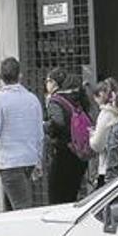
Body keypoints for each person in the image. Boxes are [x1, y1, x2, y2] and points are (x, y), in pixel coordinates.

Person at [0, 57, 44, 211]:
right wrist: (38, 160)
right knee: (13, 209)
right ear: (20, 75)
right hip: (29, 160)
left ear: (0, 77)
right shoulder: (32, 99)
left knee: (21, 210)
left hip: (10, 162)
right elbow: (39, 134)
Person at [44, 68, 90, 204]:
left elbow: (58, 122)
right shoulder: (78, 99)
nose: (46, 84)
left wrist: (44, 126)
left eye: (48, 81)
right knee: (71, 196)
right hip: (78, 153)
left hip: (63, 152)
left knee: (56, 198)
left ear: (54, 83)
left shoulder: (55, 101)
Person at [88, 77, 118, 189]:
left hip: (107, 167)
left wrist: (92, 135)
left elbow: (98, 145)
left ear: (101, 95)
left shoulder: (106, 115)